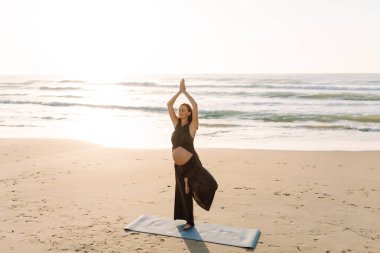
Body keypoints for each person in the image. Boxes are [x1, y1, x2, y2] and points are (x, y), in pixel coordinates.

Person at [167, 79, 218, 231]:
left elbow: (195, 105)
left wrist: (185, 92)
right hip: (179, 167)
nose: (180, 111)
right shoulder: (176, 124)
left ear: (189, 113)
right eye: (180, 109)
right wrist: (178, 92)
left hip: (192, 165)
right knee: (183, 193)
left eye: (183, 110)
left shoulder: (192, 126)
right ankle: (189, 222)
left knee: (212, 184)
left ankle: (198, 194)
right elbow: (169, 105)